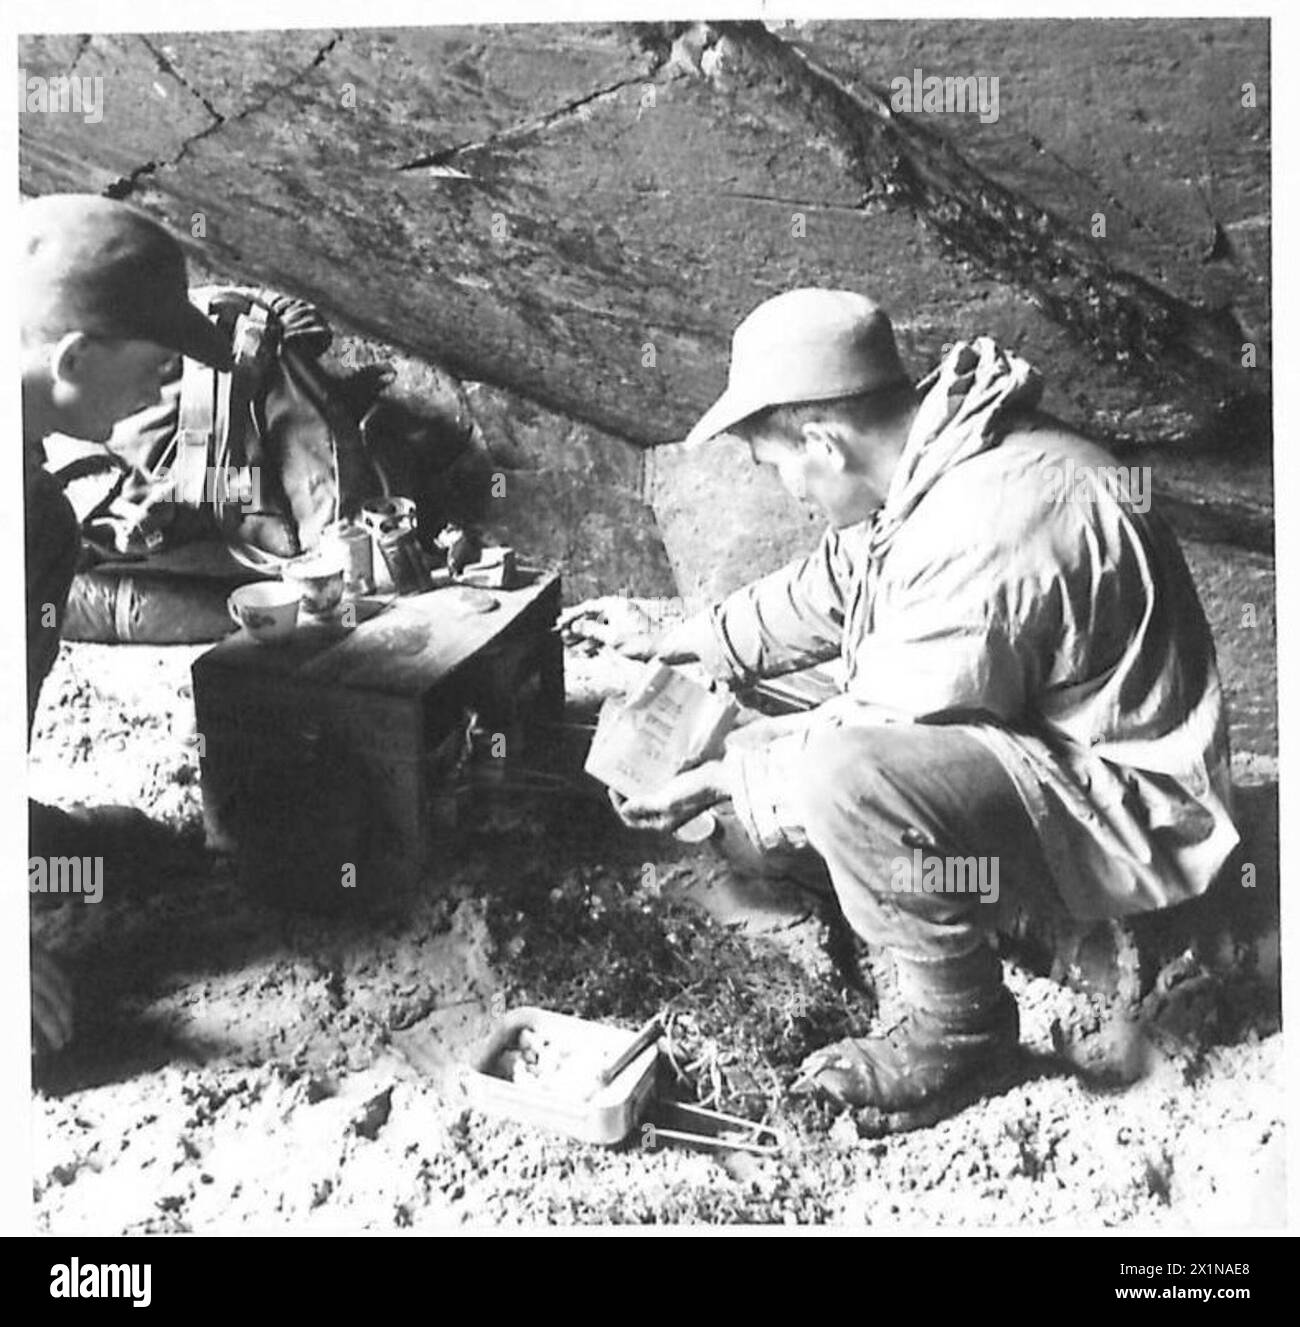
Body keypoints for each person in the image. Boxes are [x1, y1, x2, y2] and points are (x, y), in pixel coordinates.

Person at [564, 289, 1238, 1134]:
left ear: (823, 441)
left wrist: (724, 780)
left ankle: (961, 1030)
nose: (784, 491)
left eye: (774, 466)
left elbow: (873, 734)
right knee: (766, 725)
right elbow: (838, 584)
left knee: (838, 780)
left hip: (1124, 806)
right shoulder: (931, 454)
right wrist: (690, 643)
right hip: (1031, 727)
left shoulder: (991, 518)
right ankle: (941, 889)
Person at [21, 193, 233, 1058]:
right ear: (74, 357)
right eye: (156, 362)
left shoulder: (32, 501)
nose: (165, 383)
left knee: (110, 866)